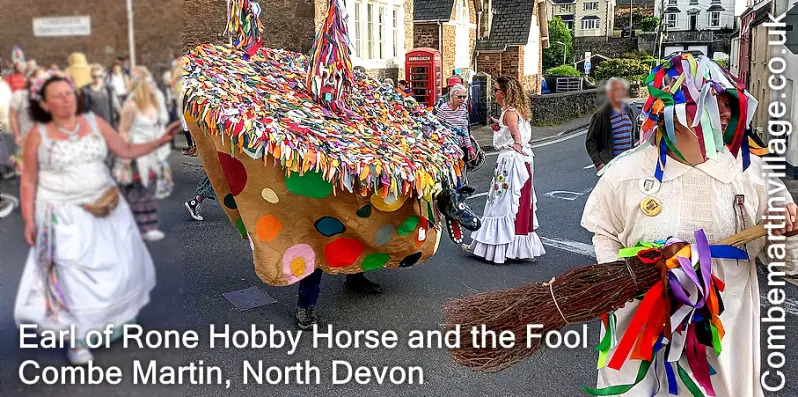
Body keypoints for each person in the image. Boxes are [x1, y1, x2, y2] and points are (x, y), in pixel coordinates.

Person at [581, 54, 798, 396]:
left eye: (729, 100)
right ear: (670, 110)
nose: (724, 110)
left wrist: (790, 234)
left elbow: (787, 263)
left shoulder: (751, 172)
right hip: (641, 328)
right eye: (710, 100)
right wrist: (628, 280)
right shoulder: (625, 172)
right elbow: (604, 234)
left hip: (723, 332)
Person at [14, 75, 179, 364]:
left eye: (69, 93)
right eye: (57, 95)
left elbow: (125, 150)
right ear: (44, 104)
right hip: (62, 214)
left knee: (119, 268)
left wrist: (159, 141)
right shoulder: (38, 134)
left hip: (108, 208)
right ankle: (78, 339)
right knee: (72, 277)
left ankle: (116, 320)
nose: (66, 99)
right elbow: (28, 180)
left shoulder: (94, 122)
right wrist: (29, 220)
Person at [465, 76, 545, 263]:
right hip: (523, 160)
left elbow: (515, 131)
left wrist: (517, 143)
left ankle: (495, 247)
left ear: (505, 92)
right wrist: (500, 126)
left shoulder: (510, 112)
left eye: (496, 90)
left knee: (501, 202)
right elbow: (511, 129)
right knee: (517, 202)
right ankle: (515, 248)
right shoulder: (515, 111)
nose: (495, 93)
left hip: (511, 161)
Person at [116, 75, 171, 241]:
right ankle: (137, 227)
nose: (154, 86)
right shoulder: (132, 106)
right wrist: (125, 155)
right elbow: (123, 130)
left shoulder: (153, 104)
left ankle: (150, 225)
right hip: (136, 152)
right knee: (137, 191)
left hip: (152, 152)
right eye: (150, 83)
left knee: (150, 189)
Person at [585, 77, 639, 172]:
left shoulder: (628, 111)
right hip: (610, 165)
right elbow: (590, 141)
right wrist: (598, 163)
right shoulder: (601, 114)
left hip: (628, 163)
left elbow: (634, 136)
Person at [433, 84, 475, 182]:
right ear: (452, 96)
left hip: (461, 146)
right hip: (448, 147)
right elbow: (437, 127)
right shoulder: (443, 108)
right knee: (451, 174)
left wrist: (470, 149)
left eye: (464, 97)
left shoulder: (463, 109)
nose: (462, 99)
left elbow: (465, 130)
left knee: (461, 172)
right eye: (459, 97)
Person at [8, 74, 36, 177]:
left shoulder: (46, 97)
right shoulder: (19, 95)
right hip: (24, 140)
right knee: (22, 174)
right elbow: (12, 116)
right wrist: (16, 135)